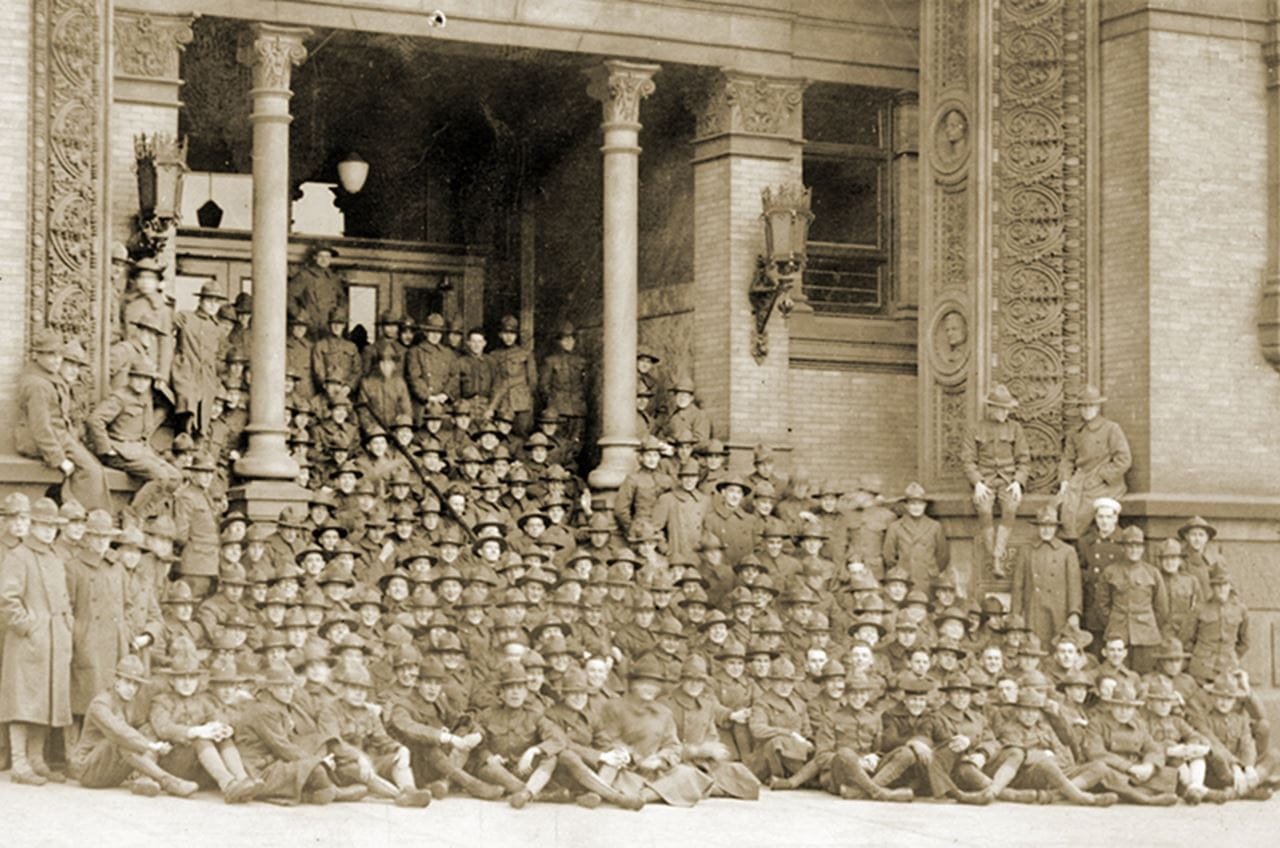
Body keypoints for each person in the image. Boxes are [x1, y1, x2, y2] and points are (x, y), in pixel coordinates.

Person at [0, 497, 74, 784]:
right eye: (42, 525)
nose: (47, 531)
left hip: (55, 642)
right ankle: (20, 764)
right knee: (23, 701)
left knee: (46, 700)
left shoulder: (54, 557)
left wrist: (67, 626)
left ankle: (36, 759)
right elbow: (7, 598)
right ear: (32, 525)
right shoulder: (19, 556)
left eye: (52, 527)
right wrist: (28, 627)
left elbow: (64, 598)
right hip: (29, 643)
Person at [69, 655, 199, 797]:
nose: (131, 688)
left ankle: (144, 778)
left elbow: (143, 728)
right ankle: (168, 781)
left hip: (113, 774)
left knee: (148, 728)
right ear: (116, 680)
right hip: (87, 770)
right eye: (127, 682)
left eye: (136, 684)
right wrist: (151, 746)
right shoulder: (100, 704)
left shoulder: (131, 703)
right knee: (119, 739)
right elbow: (118, 731)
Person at [594, 654, 713, 807]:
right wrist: (635, 758)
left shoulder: (664, 713)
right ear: (632, 684)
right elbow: (606, 740)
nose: (650, 688)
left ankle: (643, 797)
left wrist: (660, 759)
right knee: (613, 774)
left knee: (689, 774)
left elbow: (673, 745)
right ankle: (641, 794)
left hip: (655, 772)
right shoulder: (615, 707)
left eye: (655, 684)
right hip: (627, 769)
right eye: (644, 683)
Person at [14, 328, 111, 510]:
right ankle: (84, 517)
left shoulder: (49, 376)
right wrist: (59, 459)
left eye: (59, 355)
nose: (56, 360)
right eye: (50, 355)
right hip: (43, 440)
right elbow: (40, 428)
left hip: (59, 435)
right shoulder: (37, 385)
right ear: (37, 355)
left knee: (93, 464)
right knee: (91, 471)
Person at [960, 384, 1029, 578]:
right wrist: (977, 483)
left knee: (1011, 507)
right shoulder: (975, 428)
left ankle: (997, 555)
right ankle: (994, 557)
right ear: (990, 407)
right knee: (983, 509)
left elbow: (1024, 459)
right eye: (999, 408)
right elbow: (968, 459)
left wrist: (1018, 481)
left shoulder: (1015, 428)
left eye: (1006, 408)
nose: (1003, 412)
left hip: (1008, 480)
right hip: (985, 480)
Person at [1055, 385, 1132, 539]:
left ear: (1097, 407)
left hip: (1104, 483)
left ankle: (1077, 547)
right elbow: (1067, 460)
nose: (1087, 409)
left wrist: (1102, 475)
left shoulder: (1111, 429)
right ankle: (1068, 549)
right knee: (1062, 507)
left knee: (1083, 513)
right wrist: (1064, 480)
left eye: (1090, 405)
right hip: (1080, 480)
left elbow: (1124, 459)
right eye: (1083, 406)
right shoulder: (1075, 433)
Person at [87, 364, 181, 483]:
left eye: (146, 379)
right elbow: (94, 419)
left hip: (139, 452)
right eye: (138, 378)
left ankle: (151, 502)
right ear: (130, 378)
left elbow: (166, 407)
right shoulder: (119, 397)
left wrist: (160, 389)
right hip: (119, 452)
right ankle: (137, 503)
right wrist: (105, 448)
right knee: (161, 476)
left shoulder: (146, 397)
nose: (142, 383)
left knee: (176, 477)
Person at [1101, 526, 1168, 674]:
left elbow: (1161, 608)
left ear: (1143, 549)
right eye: (1129, 546)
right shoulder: (1110, 572)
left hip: (1146, 634)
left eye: (1137, 546)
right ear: (1123, 548)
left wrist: (1148, 623)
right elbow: (1102, 605)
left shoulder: (1152, 573)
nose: (1133, 550)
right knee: (1116, 674)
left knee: (1145, 675)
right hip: (1118, 633)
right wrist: (1114, 621)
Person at [1013, 505, 1082, 647]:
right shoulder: (1026, 550)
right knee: (1033, 646)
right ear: (1037, 527)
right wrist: (1016, 613)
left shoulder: (1067, 551)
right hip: (1034, 610)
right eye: (1042, 526)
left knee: (1058, 647)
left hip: (1058, 610)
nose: (1046, 530)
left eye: (1050, 526)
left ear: (1056, 528)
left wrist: (1074, 612)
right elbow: (1018, 585)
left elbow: (1074, 586)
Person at [171, 280, 227, 435]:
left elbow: (220, 356)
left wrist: (217, 379)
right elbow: (165, 330)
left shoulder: (217, 329)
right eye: (209, 300)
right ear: (201, 300)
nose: (212, 305)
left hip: (206, 378)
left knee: (203, 418)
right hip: (186, 371)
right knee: (186, 407)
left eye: (216, 301)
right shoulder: (186, 317)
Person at [882, 482, 950, 592]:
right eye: (912, 504)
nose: (916, 507)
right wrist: (901, 571)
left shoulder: (935, 526)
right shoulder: (895, 527)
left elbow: (943, 556)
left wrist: (931, 571)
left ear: (925, 505)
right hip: (905, 579)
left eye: (919, 504)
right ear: (906, 506)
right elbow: (889, 555)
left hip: (927, 579)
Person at [1184, 568, 1248, 683]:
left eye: (1225, 584)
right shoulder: (1200, 609)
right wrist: (1199, 655)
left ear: (1230, 586)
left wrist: (1231, 655)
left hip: (1228, 666)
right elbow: (1187, 638)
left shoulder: (1240, 609)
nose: (1222, 589)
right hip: (1202, 667)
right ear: (1212, 587)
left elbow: (1244, 642)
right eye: (1217, 585)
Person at [539, 322, 588, 450]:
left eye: (571, 339)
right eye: (565, 339)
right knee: (558, 442)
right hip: (558, 410)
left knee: (576, 443)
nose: (568, 342)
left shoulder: (581, 361)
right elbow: (544, 386)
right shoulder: (550, 361)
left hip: (577, 410)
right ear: (559, 341)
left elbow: (586, 385)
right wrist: (552, 404)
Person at [488, 315, 537, 434]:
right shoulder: (494, 355)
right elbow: (494, 381)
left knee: (521, 435)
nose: (508, 337)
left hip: (522, 404)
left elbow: (533, 382)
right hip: (503, 403)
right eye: (505, 333)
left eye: (512, 333)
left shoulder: (525, 354)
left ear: (516, 335)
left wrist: (527, 401)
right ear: (500, 335)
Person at [289, 243, 347, 337]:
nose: (324, 260)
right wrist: (299, 315)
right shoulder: (304, 275)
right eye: (321, 256)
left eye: (327, 257)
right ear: (314, 257)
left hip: (329, 327)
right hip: (309, 326)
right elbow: (289, 296)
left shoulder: (334, 278)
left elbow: (342, 299)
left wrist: (339, 314)